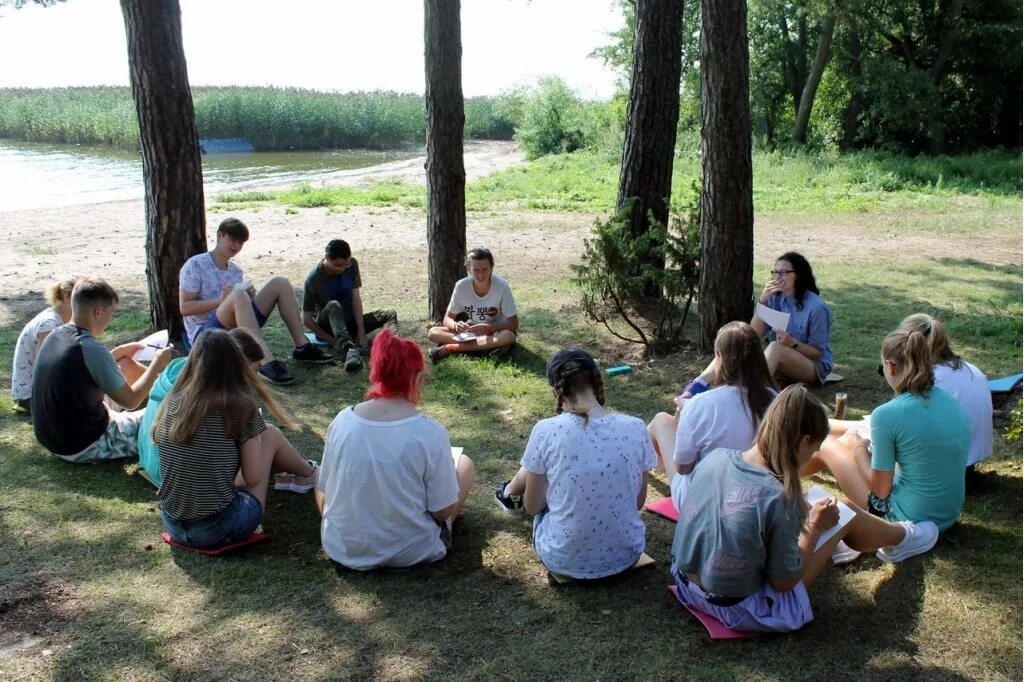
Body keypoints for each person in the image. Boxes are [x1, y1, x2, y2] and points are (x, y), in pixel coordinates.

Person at [671, 386, 941, 633]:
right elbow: (784, 582)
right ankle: (903, 537)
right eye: (814, 449)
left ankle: (896, 537)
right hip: (736, 608)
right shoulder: (778, 496)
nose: (812, 456)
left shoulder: (717, 458)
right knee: (844, 510)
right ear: (803, 441)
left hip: (686, 584)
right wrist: (814, 528)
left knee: (822, 509)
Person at [802, 325, 970, 562]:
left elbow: (880, 491)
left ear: (890, 367)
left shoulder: (887, 414)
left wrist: (858, 447)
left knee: (828, 445)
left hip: (905, 517)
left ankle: (778, 475)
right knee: (845, 446)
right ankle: (782, 475)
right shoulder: (952, 403)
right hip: (947, 514)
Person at [316, 329, 476, 570]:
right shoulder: (430, 432)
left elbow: (325, 491)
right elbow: (442, 512)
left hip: (342, 548)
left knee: (321, 476)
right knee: (464, 465)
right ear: (417, 379)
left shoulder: (342, 421)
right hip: (412, 552)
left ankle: (347, 530)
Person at [494, 348, 657, 581]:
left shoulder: (546, 430)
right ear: (596, 381)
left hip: (563, 558)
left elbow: (532, 507)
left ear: (558, 392)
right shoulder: (636, 427)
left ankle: (510, 491)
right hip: (627, 555)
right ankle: (511, 490)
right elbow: (638, 501)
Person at [154, 329, 318, 550]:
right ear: (236, 361)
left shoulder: (172, 400)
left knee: (264, 437)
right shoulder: (239, 405)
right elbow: (251, 478)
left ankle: (305, 474)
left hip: (174, 525)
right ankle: (310, 474)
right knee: (269, 434)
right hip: (217, 529)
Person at [31, 278, 173, 462]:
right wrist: (156, 364)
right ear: (98, 311)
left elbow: (81, 368)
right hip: (84, 444)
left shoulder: (56, 334)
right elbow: (130, 401)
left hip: (53, 436)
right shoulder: (90, 348)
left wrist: (117, 352)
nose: (111, 319)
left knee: (122, 364)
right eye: (111, 312)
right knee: (168, 414)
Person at [178, 217, 332, 386]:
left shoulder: (236, 271)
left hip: (234, 327)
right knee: (237, 295)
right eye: (232, 239)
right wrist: (220, 300)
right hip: (206, 335)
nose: (236, 246)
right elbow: (185, 308)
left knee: (280, 283)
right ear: (220, 235)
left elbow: (239, 307)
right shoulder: (195, 265)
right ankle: (266, 362)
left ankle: (302, 346)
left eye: (240, 242)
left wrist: (249, 297)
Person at [647, 322, 776, 512]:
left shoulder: (701, 404)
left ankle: (635, 458)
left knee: (661, 420)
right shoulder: (775, 399)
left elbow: (683, 468)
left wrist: (685, 421)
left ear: (720, 358)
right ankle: (653, 462)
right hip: (757, 497)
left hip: (704, 503)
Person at [681, 252, 832, 397]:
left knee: (774, 347)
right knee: (736, 340)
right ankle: (698, 385)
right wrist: (763, 301)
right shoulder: (775, 298)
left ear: (799, 275)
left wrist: (793, 343)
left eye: (783, 273)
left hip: (812, 367)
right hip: (780, 361)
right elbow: (751, 335)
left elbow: (817, 353)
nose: (777, 277)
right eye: (775, 272)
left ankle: (745, 395)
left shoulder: (816, 308)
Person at [899, 313, 993, 469]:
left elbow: (900, 428)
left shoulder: (926, 379)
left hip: (938, 470)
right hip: (970, 460)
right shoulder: (971, 369)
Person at [301, 239, 398, 372]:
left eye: (346, 265)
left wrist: (361, 330)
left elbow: (355, 298)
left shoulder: (351, 265)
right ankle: (349, 350)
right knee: (334, 305)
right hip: (329, 326)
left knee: (389, 313)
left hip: (349, 322)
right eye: (338, 265)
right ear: (327, 258)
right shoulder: (313, 280)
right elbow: (306, 320)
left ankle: (393, 347)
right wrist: (333, 342)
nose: (342, 269)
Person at [426, 248, 519, 363]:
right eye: (476, 270)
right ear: (468, 269)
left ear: (491, 268)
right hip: (471, 331)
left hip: (496, 331)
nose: (481, 274)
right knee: (433, 332)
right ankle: (483, 348)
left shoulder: (502, 286)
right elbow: (447, 318)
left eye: (485, 269)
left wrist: (490, 328)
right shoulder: (461, 286)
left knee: (509, 336)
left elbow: (514, 324)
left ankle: (452, 347)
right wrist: (456, 326)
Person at [11, 276, 78, 412]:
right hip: (32, 394)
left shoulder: (61, 319)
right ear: (67, 296)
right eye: (85, 298)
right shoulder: (49, 325)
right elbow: (46, 368)